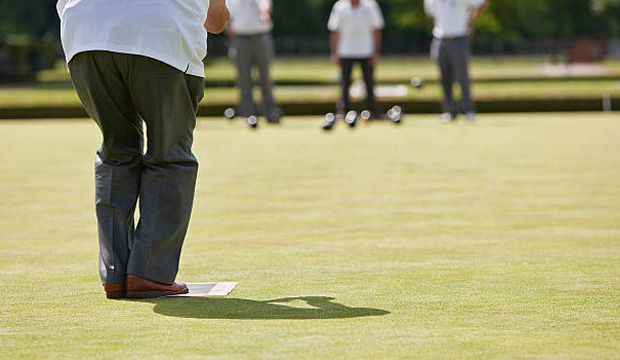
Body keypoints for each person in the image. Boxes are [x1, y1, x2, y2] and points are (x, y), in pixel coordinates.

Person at [56, 0, 229, 299]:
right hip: (160, 33)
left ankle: (114, 272)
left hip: (84, 33)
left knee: (116, 153)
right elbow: (215, 21)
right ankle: (149, 274)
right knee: (170, 156)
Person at [424, 0, 489, 123]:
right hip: (440, 40)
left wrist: (470, 20)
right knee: (444, 78)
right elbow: (430, 14)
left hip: (459, 39)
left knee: (462, 77)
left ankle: (468, 111)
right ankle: (449, 112)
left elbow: (483, 3)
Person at [226, 0, 282, 125]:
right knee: (243, 79)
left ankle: (271, 113)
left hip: (261, 37)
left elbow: (265, 5)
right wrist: (227, 27)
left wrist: (264, 13)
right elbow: (224, 16)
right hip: (240, 39)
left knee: (265, 78)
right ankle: (248, 115)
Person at [328, 0, 385, 119]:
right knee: (344, 83)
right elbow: (334, 30)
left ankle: (373, 111)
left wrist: (376, 51)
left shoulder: (371, 6)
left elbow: (376, 29)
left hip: (366, 50)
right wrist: (334, 52)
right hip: (345, 50)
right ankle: (343, 111)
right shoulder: (339, 7)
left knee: (369, 82)